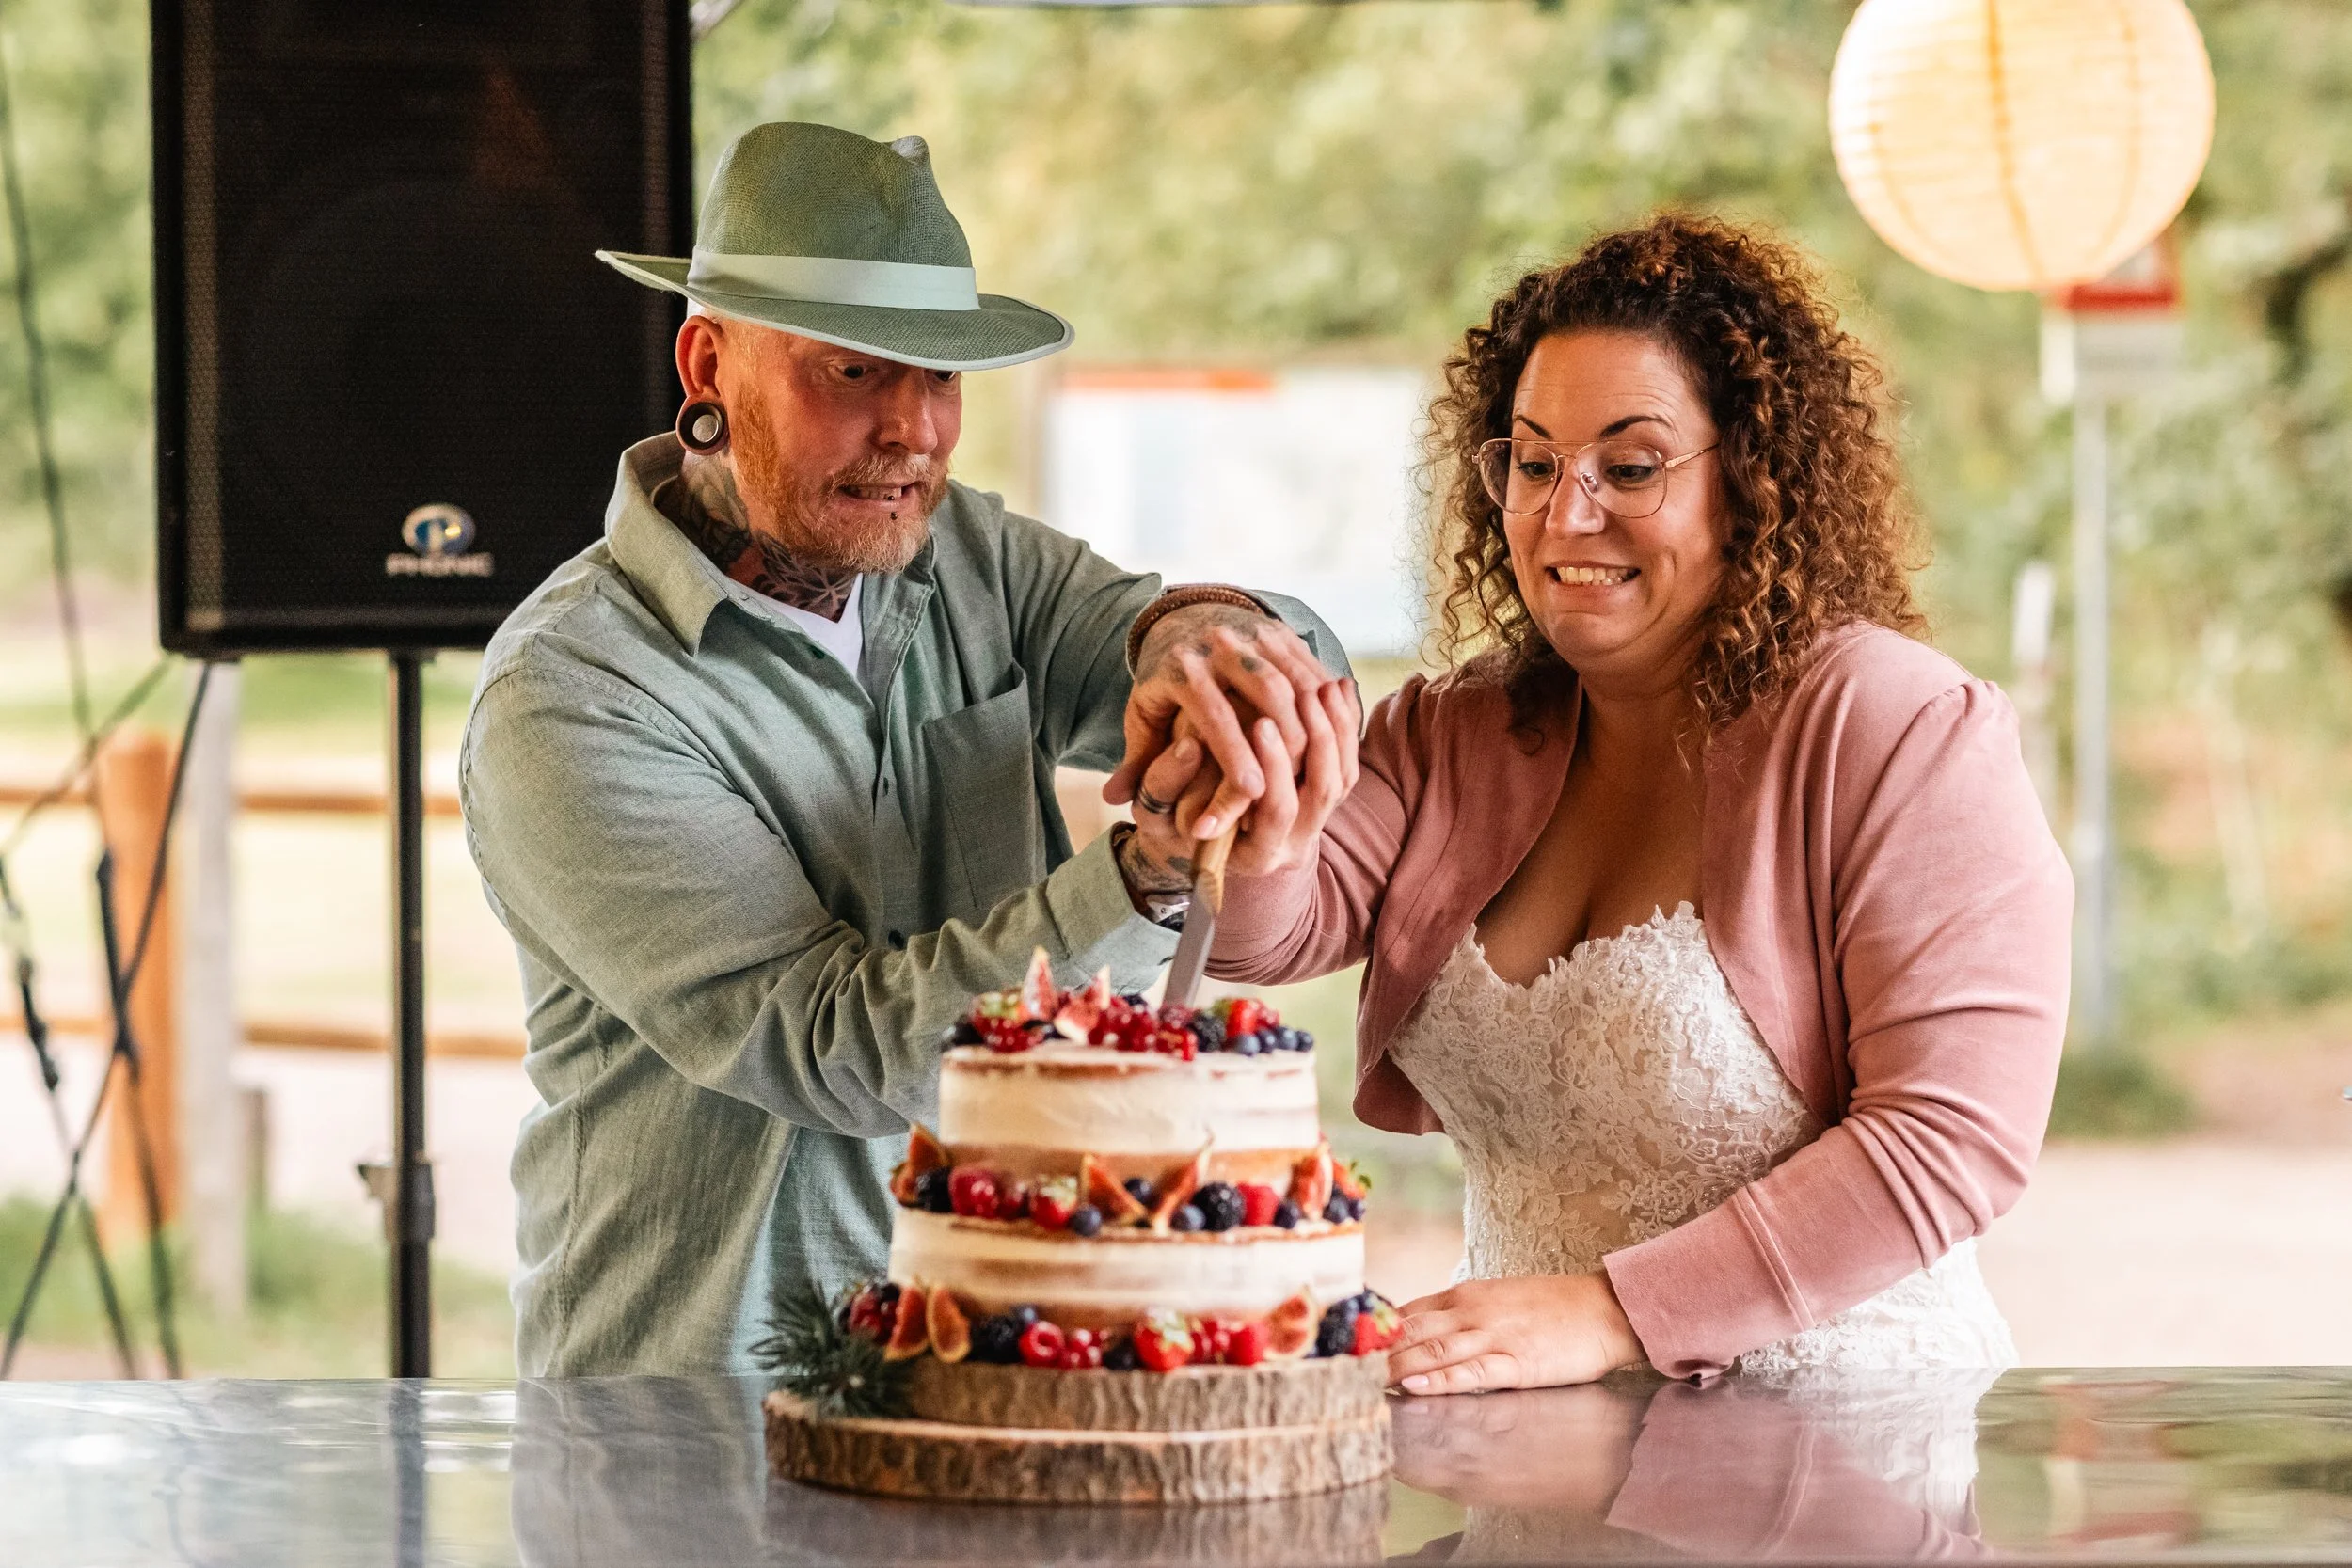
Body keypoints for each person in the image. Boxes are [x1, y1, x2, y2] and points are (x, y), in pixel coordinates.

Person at [461, 122, 1359, 1376]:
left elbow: (1169, 633)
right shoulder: (571, 695)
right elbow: (838, 1045)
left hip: (1010, 1394)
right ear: (707, 360)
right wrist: (1143, 871)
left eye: (939, 378)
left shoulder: (974, 559)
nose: (914, 433)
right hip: (697, 1441)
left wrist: (1218, 658)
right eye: (852, 373)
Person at [1211, 214, 2073, 1386]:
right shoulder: (1448, 727)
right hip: (1534, 1444)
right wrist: (1251, 817)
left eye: (1629, 466)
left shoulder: (1901, 729)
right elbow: (1271, 932)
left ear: (1753, 480)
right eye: (1531, 461)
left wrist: (1612, 1315)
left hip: (1838, 1449)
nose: (1566, 514)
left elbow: (1949, 1141)